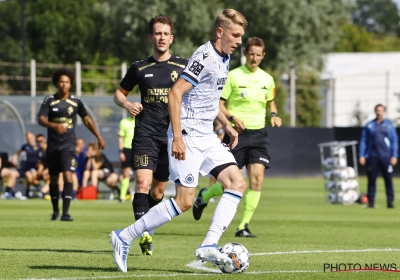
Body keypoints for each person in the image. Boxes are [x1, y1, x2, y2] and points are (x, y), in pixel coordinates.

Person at [109, 9, 248, 273]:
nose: (239, 40)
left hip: (206, 134)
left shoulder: (225, 57)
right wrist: (177, 138)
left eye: (241, 35)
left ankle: (209, 244)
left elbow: (208, 97)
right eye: (236, 34)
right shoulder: (203, 57)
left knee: (237, 182)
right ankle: (124, 236)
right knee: (184, 201)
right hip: (188, 135)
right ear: (220, 32)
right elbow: (175, 94)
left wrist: (226, 125)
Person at [113, 14, 188, 255]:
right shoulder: (139, 67)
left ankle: (147, 225)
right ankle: (142, 235)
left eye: (165, 33)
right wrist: (127, 105)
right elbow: (118, 94)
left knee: (158, 192)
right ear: (150, 37)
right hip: (145, 133)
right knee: (142, 184)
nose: (162, 37)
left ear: (171, 37)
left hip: (171, 137)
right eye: (157, 33)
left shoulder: (183, 67)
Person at [192, 37, 282, 238]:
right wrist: (232, 118)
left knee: (257, 180)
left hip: (259, 134)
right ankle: (204, 196)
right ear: (245, 54)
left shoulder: (268, 79)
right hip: (236, 135)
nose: (254, 58)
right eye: (251, 54)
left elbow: (271, 103)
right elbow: (219, 104)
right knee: (229, 182)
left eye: (258, 55)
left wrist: (274, 115)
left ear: (263, 56)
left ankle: (243, 226)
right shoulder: (232, 76)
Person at [38, 68, 105, 221]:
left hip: (68, 146)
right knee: (54, 179)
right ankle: (55, 211)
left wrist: (98, 136)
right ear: (56, 83)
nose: (64, 84)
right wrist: (54, 125)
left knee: (69, 175)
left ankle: (65, 213)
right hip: (53, 146)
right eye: (61, 81)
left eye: (67, 82)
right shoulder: (49, 100)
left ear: (71, 84)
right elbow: (40, 119)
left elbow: (87, 120)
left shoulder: (75, 102)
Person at [359, 104, 398, 208]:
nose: (379, 112)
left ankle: (390, 202)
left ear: (384, 111)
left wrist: (394, 155)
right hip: (372, 156)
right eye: (377, 110)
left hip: (386, 156)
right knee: (371, 179)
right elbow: (364, 140)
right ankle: (371, 202)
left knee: (388, 179)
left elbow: (394, 141)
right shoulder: (369, 125)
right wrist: (362, 154)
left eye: (381, 110)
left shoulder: (389, 125)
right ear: (375, 111)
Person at [12, 131, 40, 197]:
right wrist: (15, 158)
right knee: (14, 173)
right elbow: (17, 152)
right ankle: (9, 192)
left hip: (36, 168)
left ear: (34, 137)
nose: (29, 139)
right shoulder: (25, 146)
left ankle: (41, 190)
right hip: (27, 168)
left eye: (30, 137)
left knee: (30, 176)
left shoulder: (38, 146)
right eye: (27, 138)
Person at [118, 114, 135, 202]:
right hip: (127, 149)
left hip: (138, 148)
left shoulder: (141, 120)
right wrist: (121, 152)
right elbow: (120, 137)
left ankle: (139, 195)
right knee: (125, 174)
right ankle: (122, 196)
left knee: (140, 173)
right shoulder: (124, 122)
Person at [35, 134, 50, 198]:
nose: (39, 143)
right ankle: (43, 190)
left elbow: (54, 162)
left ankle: (43, 192)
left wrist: (47, 170)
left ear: (45, 140)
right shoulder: (39, 151)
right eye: (38, 141)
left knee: (49, 177)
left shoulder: (50, 149)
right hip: (44, 170)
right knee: (32, 176)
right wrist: (39, 170)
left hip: (53, 169)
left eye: (41, 141)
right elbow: (40, 162)